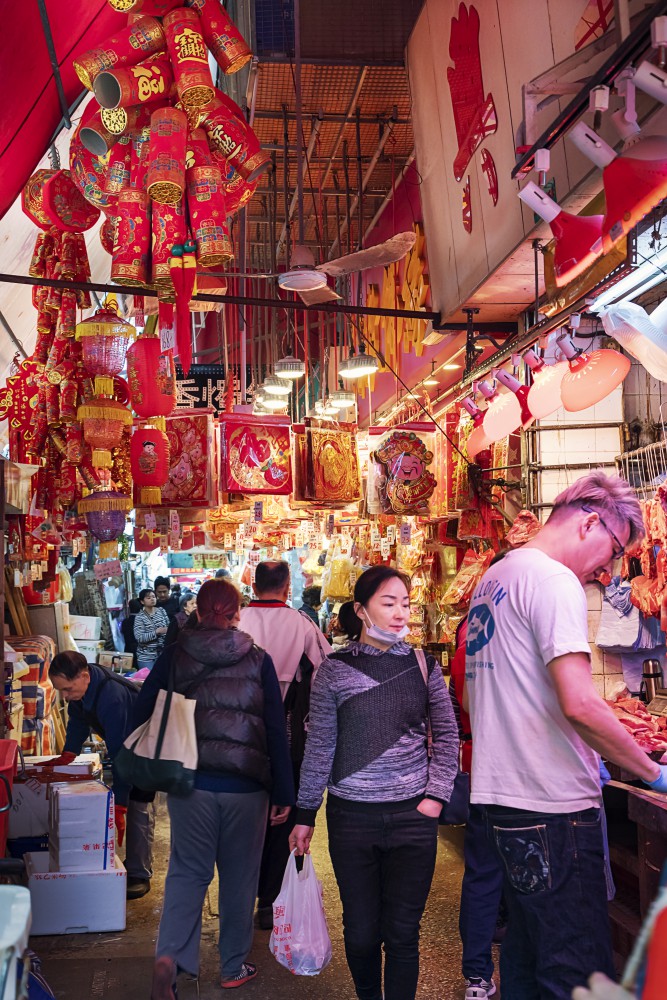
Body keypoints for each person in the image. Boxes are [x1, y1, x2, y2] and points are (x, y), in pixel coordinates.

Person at [465, 472, 667, 1000]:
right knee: (575, 974)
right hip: (552, 810)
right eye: (615, 549)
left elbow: (478, 697)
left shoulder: (497, 576)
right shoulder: (554, 581)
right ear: (589, 521)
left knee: (529, 965)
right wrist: (653, 773)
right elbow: (578, 702)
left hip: (504, 806)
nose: (609, 567)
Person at [290, 565, 459, 1000]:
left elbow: (447, 732)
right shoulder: (334, 669)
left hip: (412, 818)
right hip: (351, 820)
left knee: (403, 934)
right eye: (389, 603)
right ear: (362, 610)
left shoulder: (422, 664)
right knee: (362, 931)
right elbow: (321, 745)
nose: (401, 613)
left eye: (405, 603)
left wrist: (436, 797)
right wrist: (306, 813)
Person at [130, 579, 294, 998]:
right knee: (240, 878)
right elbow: (277, 730)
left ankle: (171, 956)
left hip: (190, 783)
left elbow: (142, 711)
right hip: (247, 787)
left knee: (187, 872)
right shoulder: (259, 660)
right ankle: (233, 966)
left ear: (197, 612)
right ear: (238, 613)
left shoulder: (173, 656)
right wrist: (284, 793)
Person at [239, 560, 331, 929]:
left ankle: (241, 895)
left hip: (240, 734)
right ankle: (270, 901)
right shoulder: (302, 624)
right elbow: (327, 670)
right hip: (289, 736)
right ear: (287, 585)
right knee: (284, 819)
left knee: (245, 818)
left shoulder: (237, 620)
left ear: (254, 584)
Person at [49, 651, 155, 900]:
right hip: (124, 745)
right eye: (60, 690)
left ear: (84, 676)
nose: (65, 695)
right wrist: (69, 753)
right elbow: (77, 719)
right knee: (126, 796)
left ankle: (140, 873)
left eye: (67, 689)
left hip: (143, 746)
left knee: (138, 803)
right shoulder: (81, 688)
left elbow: (121, 754)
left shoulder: (112, 697)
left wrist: (120, 802)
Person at [451, 616, 504, 1000]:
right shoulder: (494, 639)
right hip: (509, 768)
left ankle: (477, 977)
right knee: (513, 877)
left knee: (483, 874)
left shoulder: (468, 641)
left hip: (479, 763)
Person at [133, 589, 170, 671]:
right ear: (142, 601)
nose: (152, 599)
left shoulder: (161, 611)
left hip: (162, 654)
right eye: (148, 598)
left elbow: (168, 627)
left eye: (153, 597)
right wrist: (157, 632)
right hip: (146, 656)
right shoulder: (140, 617)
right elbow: (139, 638)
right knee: (149, 681)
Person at [121, 598, 141, 669]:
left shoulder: (125, 621)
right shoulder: (142, 621)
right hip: (140, 650)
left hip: (128, 649)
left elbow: (122, 633)